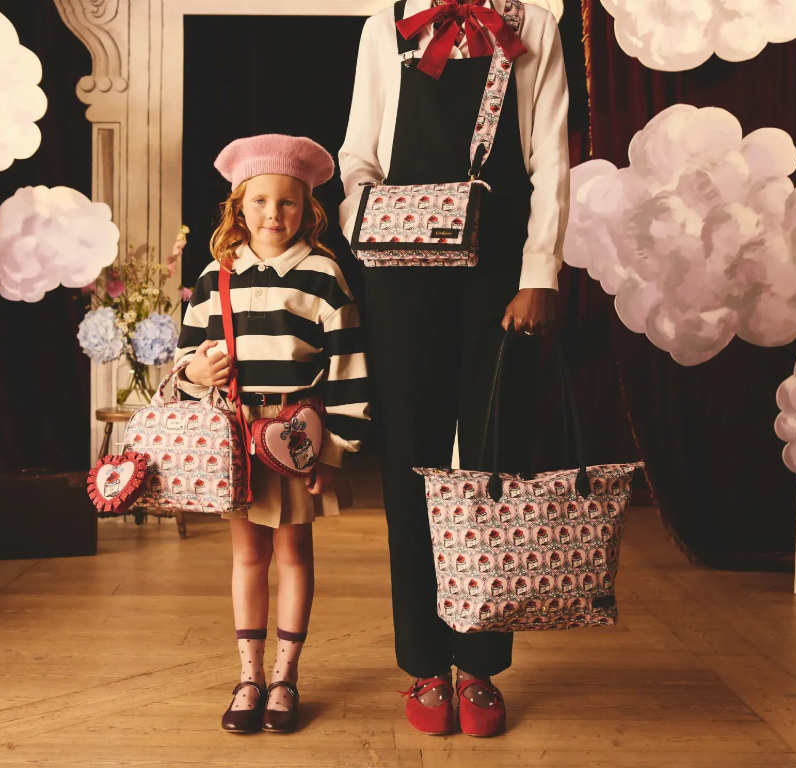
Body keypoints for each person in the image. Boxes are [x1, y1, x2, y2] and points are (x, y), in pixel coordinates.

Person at [339, 0, 570, 738]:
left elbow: (551, 156)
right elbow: (358, 156)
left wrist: (540, 270)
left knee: (495, 458)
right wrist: (371, 224)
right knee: (411, 460)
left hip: (499, 271)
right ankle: (424, 663)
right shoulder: (386, 26)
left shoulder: (534, 24)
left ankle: (480, 664)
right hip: (401, 270)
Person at [173, 134, 370, 734]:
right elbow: (185, 356)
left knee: (293, 552)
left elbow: (349, 366)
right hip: (235, 437)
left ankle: (286, 678)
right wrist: (195, 372)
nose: (273, 214)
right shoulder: (214, 276)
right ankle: (249, 677)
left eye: (287, 202)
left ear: (307, 208)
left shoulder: (323, 275)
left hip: (296, 439)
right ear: (239, 206)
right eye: (259, 201)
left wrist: (333, 451)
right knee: (248, 554)